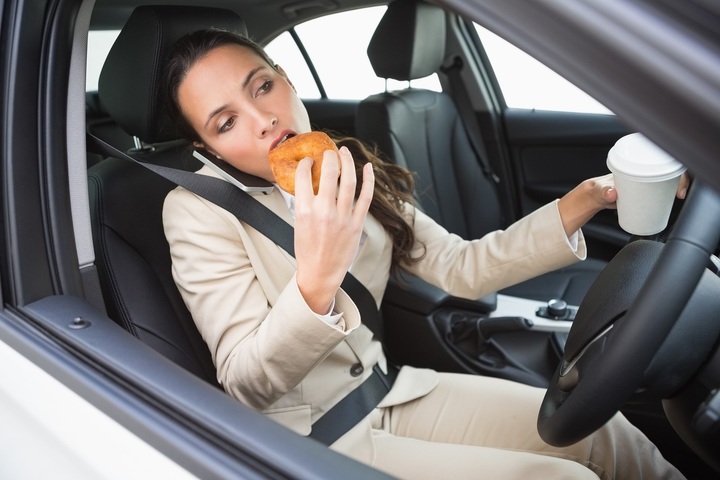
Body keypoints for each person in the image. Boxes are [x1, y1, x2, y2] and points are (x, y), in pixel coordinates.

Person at [161, 28, 687, 480]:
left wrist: (588, 198)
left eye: (263, 86)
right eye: (226, 123)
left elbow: (464, 266)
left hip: (389, 393)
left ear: (286, 77)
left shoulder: (346, 164)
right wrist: (318, 278)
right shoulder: (196, 211)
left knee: (605, 430)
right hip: (310, 440)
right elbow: (246, 383)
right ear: (209, 150)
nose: (263, 119)